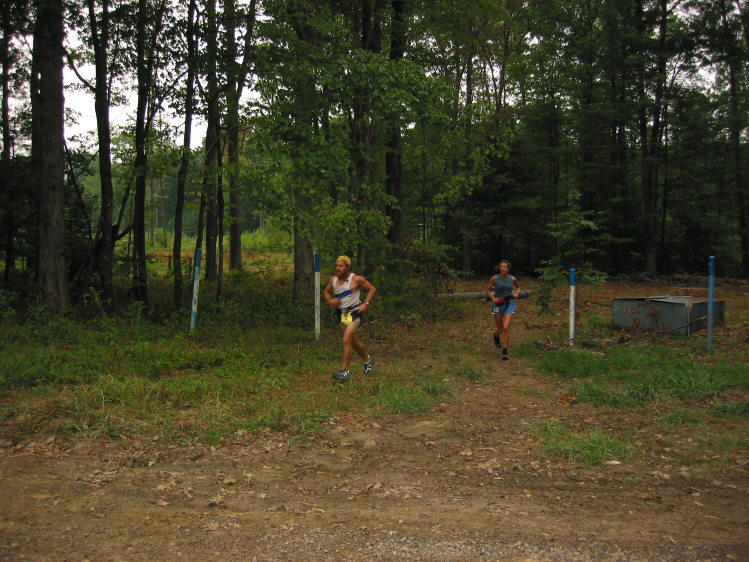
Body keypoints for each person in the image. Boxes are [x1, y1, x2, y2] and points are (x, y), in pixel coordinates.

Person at [323, 255, 376, 382]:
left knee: (346, 339)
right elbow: (326, 292)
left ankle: (344, 371)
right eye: (337, 266)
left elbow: (372, 289)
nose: (338, 268)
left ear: (348, 267)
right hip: (342, 314)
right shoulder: (333, 280)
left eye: (341, 266)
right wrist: (330, 300)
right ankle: (368, 360)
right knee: (353, 342)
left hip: (355, 313)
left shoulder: (356, 279)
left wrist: (365, 304)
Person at [486, 259, 520, 360]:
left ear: (508, 268)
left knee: (506, 327)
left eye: (504, 267)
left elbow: (518, 287)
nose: (502, 268)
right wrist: (493, 298)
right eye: (501, 267)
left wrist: (516, 293)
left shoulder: (512, 279)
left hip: (509, 303)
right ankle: (496, 335)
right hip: (497, 306)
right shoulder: (495, 278)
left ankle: (505, 351)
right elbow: (488, 290)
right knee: (500, 328)